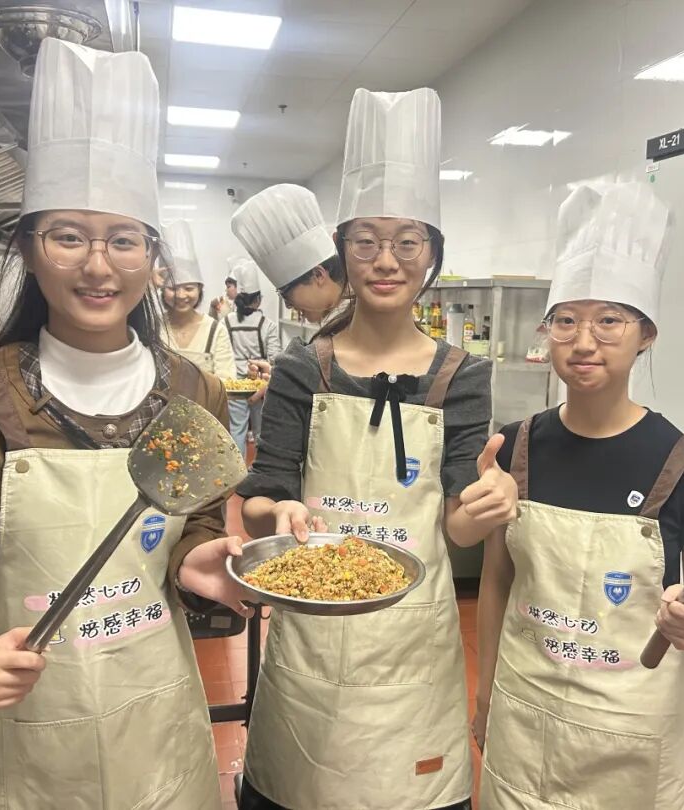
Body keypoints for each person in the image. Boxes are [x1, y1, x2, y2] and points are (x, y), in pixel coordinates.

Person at [0, 38, 247, 810]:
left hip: (155, 731)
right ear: (29, 249)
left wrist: (198, 560)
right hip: (19, 746)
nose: (98, 266)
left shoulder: (190, 390)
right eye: (69, 235)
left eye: (124, 240)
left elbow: (196, 523)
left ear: (151, 259)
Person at [236, 87, 517, 810]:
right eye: (365, 241)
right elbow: (263, 492)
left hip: (412, 644)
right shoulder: (302, 367)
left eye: (407, 242)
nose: (385, 260)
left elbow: (457, 525)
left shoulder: (462, 375)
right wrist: (278, 514)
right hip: (311, 632)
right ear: (341, 252)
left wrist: (488, 504)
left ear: (432, 254)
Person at [472, 183, 684, 810]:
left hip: (631, 739)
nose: (584, 341)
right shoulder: (515, 447)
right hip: (525, 717)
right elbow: (496, 583)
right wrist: (484, 694)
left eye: (609, 320)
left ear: (646, 334)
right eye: (566, 320)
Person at [231, 183, 348, 327]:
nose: (288, 306)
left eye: (285, 293)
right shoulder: (334, 323)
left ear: (318, 275)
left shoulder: (359, 322)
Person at [159, 217, 236, 379]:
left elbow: (226, 381)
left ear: (200, 289)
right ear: (162, 289)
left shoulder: (215, 331)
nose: (181, 295)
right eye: (173, 288)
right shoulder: (153, 327)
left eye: (189, 288)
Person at [223, 258, 281, 456]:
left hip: (235, 385)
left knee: (237, 430)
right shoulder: (268, 325)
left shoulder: (225, 322)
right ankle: (259, 471)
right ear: (258, 300)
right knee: (261, 433)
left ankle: (238, 472)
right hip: (260, 384)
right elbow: (275, 359)